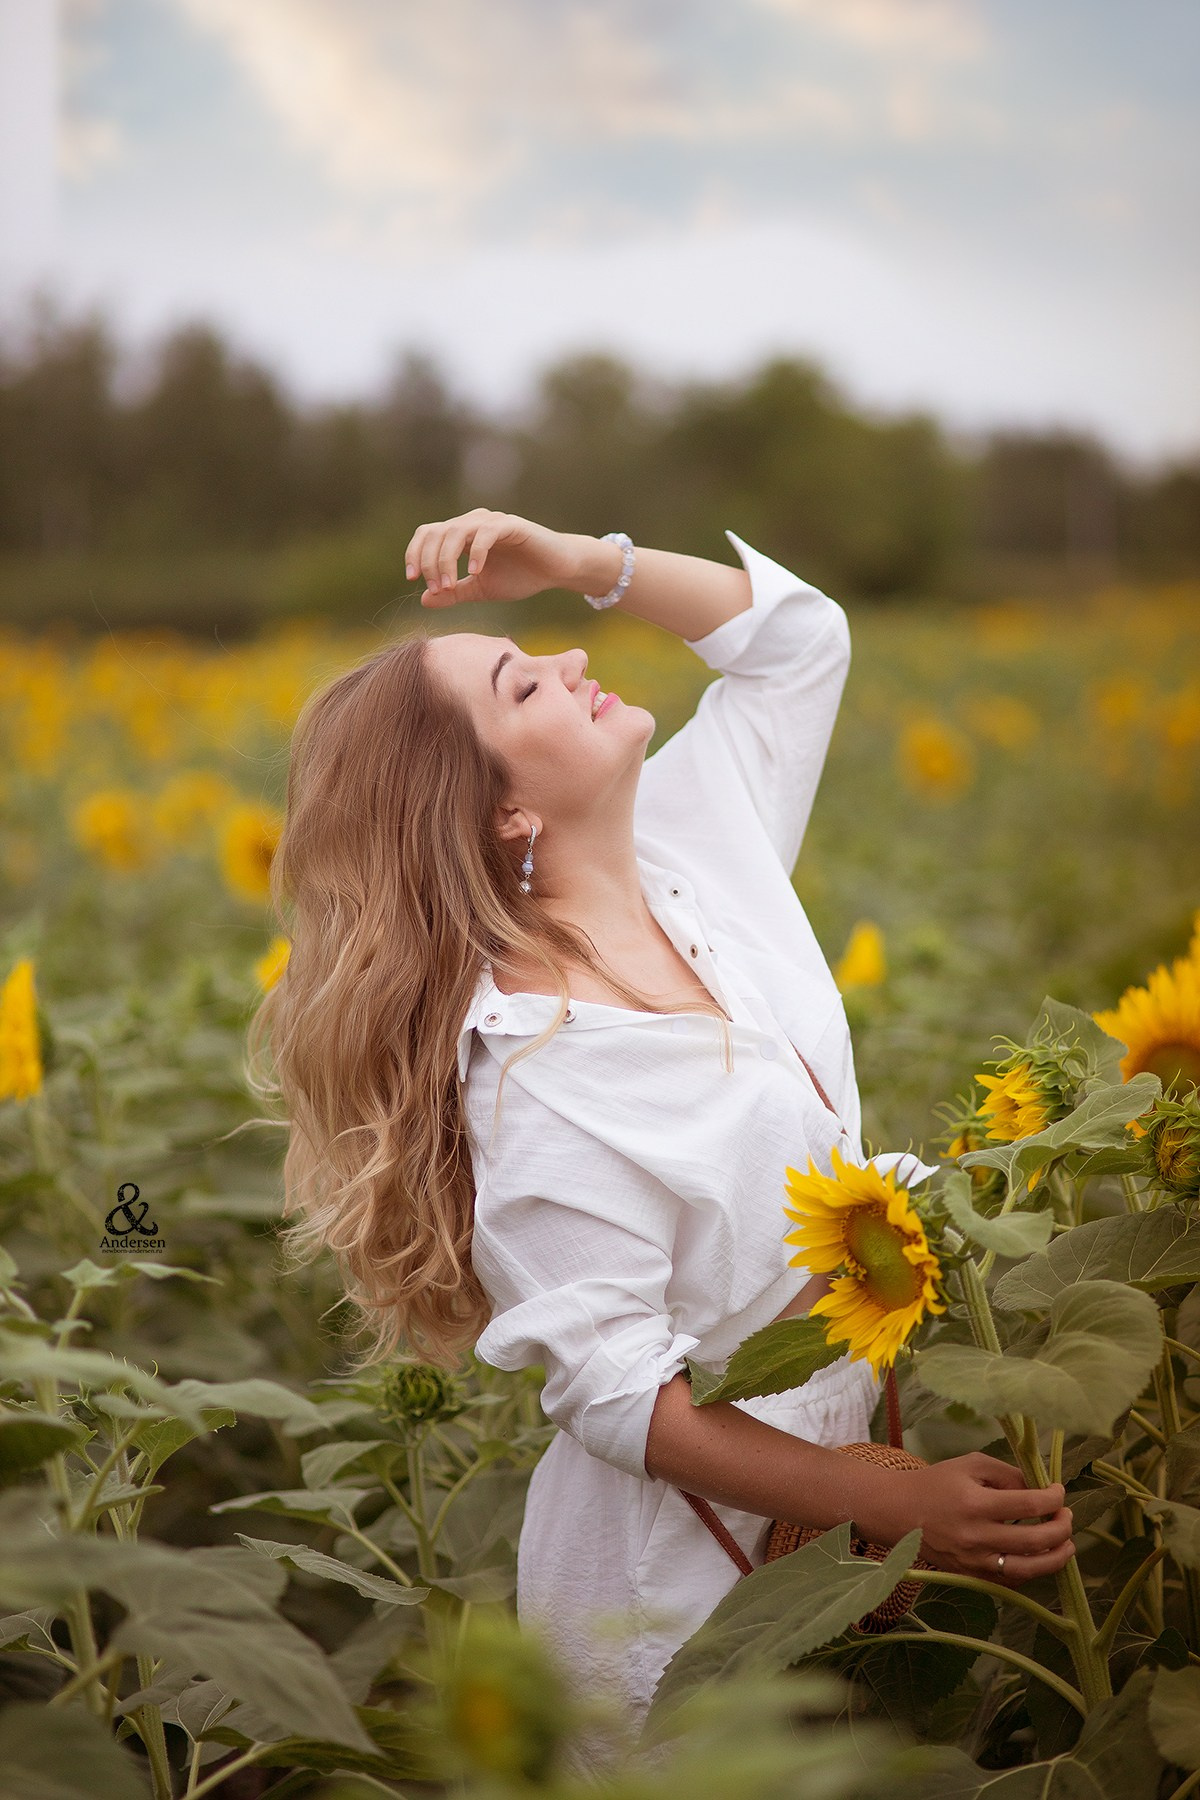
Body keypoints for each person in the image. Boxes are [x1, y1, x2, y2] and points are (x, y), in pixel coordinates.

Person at [255, 507, 1075, 1778]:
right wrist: (891, 1499)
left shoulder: (690, 857)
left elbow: (797, 643)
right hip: (682, 1600)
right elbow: (625, 1397)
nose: (573, 660)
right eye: (522, 683)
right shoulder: (534, 1070)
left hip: (843, 1534)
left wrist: (583, 562)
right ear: (501, 811)